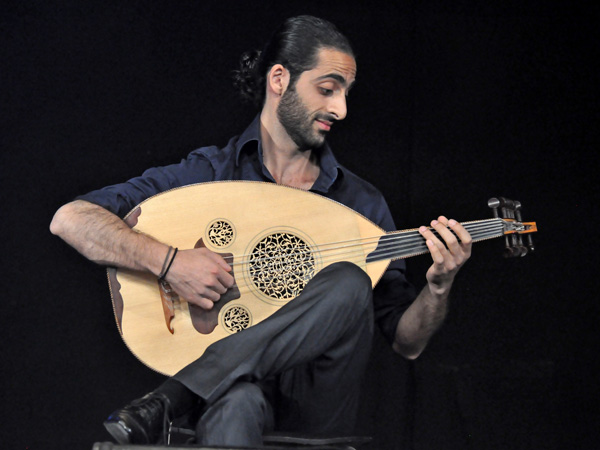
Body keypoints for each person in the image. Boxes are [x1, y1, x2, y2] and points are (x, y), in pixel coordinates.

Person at [50, 15, 472, 447]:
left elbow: (407, 342)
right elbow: (71, 218)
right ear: (279, 79)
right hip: (229, 395)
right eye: (327, 89)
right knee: (236, 405)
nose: (341, 109)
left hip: (317, 399)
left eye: (346, 93)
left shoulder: (360, 203)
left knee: (349, 280)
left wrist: (438, 287)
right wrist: (170, 262)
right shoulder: (210, 174)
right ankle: (200, 389)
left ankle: (172, 399)